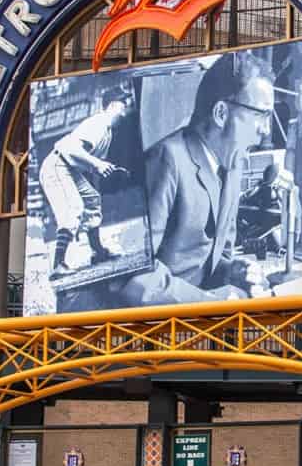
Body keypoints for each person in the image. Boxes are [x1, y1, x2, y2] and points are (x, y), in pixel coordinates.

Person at [118, 52, 279, 305]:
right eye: (261, 114)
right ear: (221, 113)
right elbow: (132, 274)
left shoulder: (233, 166)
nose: (266, 130)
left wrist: (233, 270)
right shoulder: (165, 160)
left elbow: (213, 258)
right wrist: (207, 302)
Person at [39, 88, 130, 276]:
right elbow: (72, 149)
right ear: (112, 105)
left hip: (70, 168)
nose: (125, 107)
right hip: (58, 163)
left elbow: (90, 166)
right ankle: (58, 264)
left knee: (92, 201)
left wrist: (99, 169)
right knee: (74, 208)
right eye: (123, 103)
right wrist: (98, 164)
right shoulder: (99, 122)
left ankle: (98, 252)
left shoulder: (108, 131)